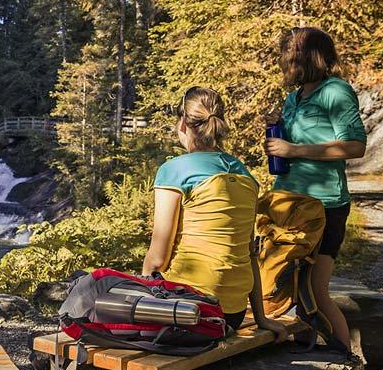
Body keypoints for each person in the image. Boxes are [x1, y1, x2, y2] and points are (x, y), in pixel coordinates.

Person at [143, 87, 289, 341]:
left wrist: (142, 294)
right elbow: (248, 253)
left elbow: (156, 260)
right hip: (231, 313)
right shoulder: (244, 174)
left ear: (182, 124)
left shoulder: (175, 170)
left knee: (100, 294)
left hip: (188, 310)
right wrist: (261, 318)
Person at [264, 27, 367, 349]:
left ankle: (344, 358)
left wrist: (293, 150)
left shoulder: (336, 91)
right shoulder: (294, 97)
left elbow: (355, 146)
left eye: (288, 55)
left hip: (324, 204)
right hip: (287, 201)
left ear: (306, 58)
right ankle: (304, 356)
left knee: (315, 290)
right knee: (287, 285)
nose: (283, 62)